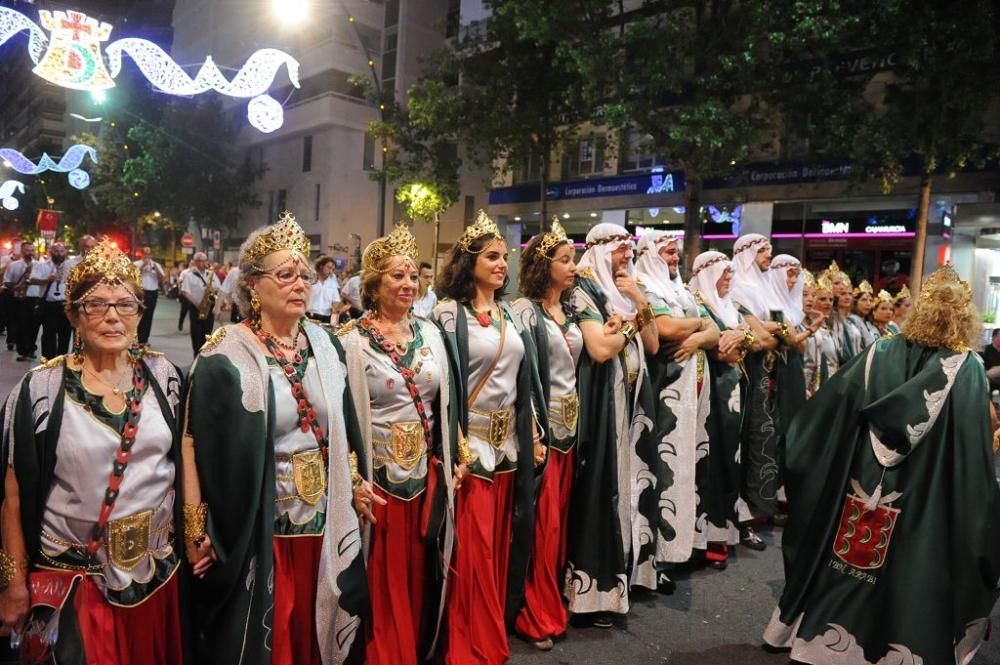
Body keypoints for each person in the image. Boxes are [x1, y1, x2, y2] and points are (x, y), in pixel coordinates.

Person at [764, 264, 1000, 664]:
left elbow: (828, 414)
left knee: (850, 561)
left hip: (867, 478)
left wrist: (816, 458)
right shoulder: (969, 369)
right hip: (928, 488)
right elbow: (970, 447)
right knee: (911, 566)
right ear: (964, 315)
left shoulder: (879, 352)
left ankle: (825, 642)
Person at [182, 213, 370, 665]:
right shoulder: (221, 354)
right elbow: (191, 443)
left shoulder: (325, 344)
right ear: (251, 284)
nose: (300, 284)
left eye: (304, 274)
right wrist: (194, 527)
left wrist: (356, 481)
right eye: (286, 275)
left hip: (324, 523)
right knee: (270, 637)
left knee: (318, 628)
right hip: (260, 528)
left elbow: (343, 426)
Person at [0, 238, 186, 664]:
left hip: (158, 577)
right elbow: (11, 495)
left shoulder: (167, 379)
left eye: (125, 304)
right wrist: (12, 583)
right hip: (73, 583)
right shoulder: (39, 390)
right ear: (73, 316)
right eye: (95, 305)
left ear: (141, 313)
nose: (112, 317)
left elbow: (188, 462)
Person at [337, 225, 456, 664]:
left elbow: (448, 405)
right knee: (381, 575)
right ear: (373, 284)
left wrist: (451, 458)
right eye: (396, 276)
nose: (408, 285)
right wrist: (352, 479)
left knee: (419, 573)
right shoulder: (348, 342)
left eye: (412, 276)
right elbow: (344, 421)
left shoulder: (432, 336)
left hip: (424, 478)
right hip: (379, 484)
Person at [432, 210, 547, 664]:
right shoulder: (446, 314)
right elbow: (442, 388)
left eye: (505, 257)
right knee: (473, 549)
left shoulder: (511, 314)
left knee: (500, 545)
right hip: (471, 448)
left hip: (509, 449)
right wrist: (452, 445)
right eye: (492, 257)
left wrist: (534, 432)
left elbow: (526, 381)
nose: (503, 264)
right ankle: (469, 640)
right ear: (469, 262)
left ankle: (491, 627)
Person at [566, 222, 660, 625]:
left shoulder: (624, 293)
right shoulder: (583, 291)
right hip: (602, 410)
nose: (628, 257)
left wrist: (638, 301)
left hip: (630, 411)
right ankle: (592, 593)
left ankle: (627, 573)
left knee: (630, 489)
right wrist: (632, 324)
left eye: (630, 250)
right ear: (602, 251)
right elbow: (601, 349)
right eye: (621, 250)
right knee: (600, 493)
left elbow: (653, 345)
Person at [512, 222, 582, 650]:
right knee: (541, 525)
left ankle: (552, 599)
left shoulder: (571, 310)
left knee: (560, 525)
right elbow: (527, 378)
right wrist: (535, 433)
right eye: (565, 260)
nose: (573, 267)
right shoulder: (525, 310)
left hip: (572, 430)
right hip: (545, 434)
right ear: (543, 266)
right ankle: (533, 612)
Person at [634, 231, 719, 572]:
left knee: (687, 469)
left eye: (675, 253)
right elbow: (665, 328)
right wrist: (699, 325)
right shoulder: (644, 285)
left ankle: (681, 548)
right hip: (662, 393)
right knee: (662, 469)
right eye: (668, 252)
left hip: (691, 398)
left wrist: (698, 335)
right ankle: (655, 557)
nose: (674, 258)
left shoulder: (680, 289)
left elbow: (715, 331)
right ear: (650, 253)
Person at [688, 251, 758, 569]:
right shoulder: (697, 300)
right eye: (724, 273)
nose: (729, 278)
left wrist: (739, 336)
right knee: (709, 461)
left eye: (732, 273)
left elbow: (750, 340)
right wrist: (734, 339)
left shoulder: (728, 305)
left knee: (730, 458)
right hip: (709, 390)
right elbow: (720, 352)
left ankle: (723, 533)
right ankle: (704, 539)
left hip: (732, 391)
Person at [728, 234, 782, 547]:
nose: (768, 255)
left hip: (763, 376)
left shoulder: (761, 287)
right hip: (744, 378)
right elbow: (764, 337)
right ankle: (740, 519)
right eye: (762, 250)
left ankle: (753, 513)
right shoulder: (740, 287)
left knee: (759, 442)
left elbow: (776, 331)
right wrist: (777, 330)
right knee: (743, 446)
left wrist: (777, 330)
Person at [33, 242, 72, 360]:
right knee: (49, 334)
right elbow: (32, 279)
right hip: (49, 305)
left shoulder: (71, 267)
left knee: (65, 334)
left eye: (61, 251)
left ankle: (62, 360)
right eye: (56, 251)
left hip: (65, 304)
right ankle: (48, 361)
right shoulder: (42, 266)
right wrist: (46, 279)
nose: (59, 254)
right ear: (51, 252)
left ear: (65, 252)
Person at [3, 243, 41, 362]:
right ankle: (22, 351)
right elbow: (7, 281)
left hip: (35, 298)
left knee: (34, 326)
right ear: (22, 251)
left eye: (31, 250)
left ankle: (31, 349)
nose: (29, 253)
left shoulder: (40, 265)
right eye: (26, 250)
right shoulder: (13, 265)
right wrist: (16, 286)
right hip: (19, 299)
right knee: (21, 325)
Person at [801, 272, 837, 397]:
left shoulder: (826, 325)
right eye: (822, 299)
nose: (828, 303)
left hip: (821, 383)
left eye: (831, 300)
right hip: (801, 384)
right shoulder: (797, 323)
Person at [179, 252, 220, 356]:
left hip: (208, 308)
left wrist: (213, 291)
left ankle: (204, 357)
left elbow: (218, 287)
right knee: (196, 336)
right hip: (195, 308)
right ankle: (196, 357)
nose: (202, 263)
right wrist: (197, 304)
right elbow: (185, 292)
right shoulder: (189, 275)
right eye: (199, 261)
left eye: (204, 260)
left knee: (207, 335)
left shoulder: (211, 273)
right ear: (195, 262)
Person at [134, 247, 165, 346]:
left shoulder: (156, 265)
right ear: (142, 254)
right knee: (139, 315)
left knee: (149, 316)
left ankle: (144, 339)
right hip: (141, 292)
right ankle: (136, 338)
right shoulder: (136, 264)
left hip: (152, 292)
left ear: (151, 255)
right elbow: (133, 275)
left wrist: (155, 268)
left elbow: (162, 278)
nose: (147, 256)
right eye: (145, 254)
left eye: (149, 254)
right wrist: (143, 265)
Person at [306, 255, 340, 324]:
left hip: (326, 318)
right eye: (329, 268)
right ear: (321, 266)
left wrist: (334, 317)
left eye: (333, 269)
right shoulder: (310, 280)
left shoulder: (332, 284)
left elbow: (336, 302)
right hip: (310, 316)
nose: (331, 271)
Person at [848, 280, 880, 349]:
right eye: (864, 300)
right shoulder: (852, 320)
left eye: (870, 300)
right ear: (855, 303)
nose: (868, 303)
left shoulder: (869, 324)